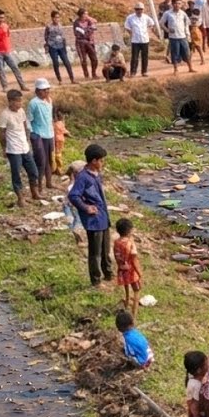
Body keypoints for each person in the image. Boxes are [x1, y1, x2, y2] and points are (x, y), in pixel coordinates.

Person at [68, 143, 113, 287]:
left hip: (103, 217)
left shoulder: (96, 174)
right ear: (94, 161)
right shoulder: (83, 177)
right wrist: (86, 208)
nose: (103, 163)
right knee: (95, 252)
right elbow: (73, 195)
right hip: (93, 221)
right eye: (101, 160)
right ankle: (96, 280)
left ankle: (109, 274)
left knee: (105, 249)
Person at [0, 89, 40, 206]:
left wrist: (27, 137)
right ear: (10, 101)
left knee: (33, 171)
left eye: (21, 101)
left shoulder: (21, 111)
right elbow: (1, 133)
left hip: (24, 147)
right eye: (17, 101)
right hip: (13, 149)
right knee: (16, 174)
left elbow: (24, 124)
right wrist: (4, 148)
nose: (20, 104)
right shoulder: (5, 115)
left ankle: (34, 193)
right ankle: (20, 198)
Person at [0, 9, 26, 92]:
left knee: (15, 68)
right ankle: (5, 87)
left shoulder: (6, 26)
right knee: (1, 70)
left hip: (7, 51)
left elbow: (8, 36)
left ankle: (22, 85)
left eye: (3, 17)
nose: (1, 19)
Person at [27, 78, 55, 192]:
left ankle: (49, 182)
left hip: (49, 133)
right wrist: (33, 132)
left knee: (49, 159)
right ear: (37, 91)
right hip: (39, 134)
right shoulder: (33, 103)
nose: (46, 92)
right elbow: (28, 119)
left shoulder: (49, 100)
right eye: (44, 90)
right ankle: (38, 185)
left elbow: (49, 117)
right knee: (41, 161)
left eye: (47, 89)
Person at [113, 217, 142, 316]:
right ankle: (134, 314)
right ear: (129, 230)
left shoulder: (116, 242)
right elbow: (134, 259)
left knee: (126, 287)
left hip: (122, 269)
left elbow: (116, 255)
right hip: (131, 271)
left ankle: (126, 304)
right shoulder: (130, 244)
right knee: (137, 291)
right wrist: (139, 272)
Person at [160, 0, 192, 75]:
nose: (177, 5)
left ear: (181, 5)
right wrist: (167, 30)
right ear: (172, 4)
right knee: (174, 54)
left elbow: (187, 24)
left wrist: (188, 35)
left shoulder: (183, 13)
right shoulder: (168, 13)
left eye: (179, 3)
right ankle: (176, 69)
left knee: (187, 53)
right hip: (173, 38)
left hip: (183, 37)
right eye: (175, 3)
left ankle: (190, 68)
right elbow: (161, 23)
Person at [124, 4, 158, 77]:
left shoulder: (146, 17)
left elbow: (152, 24)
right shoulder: (130, 17)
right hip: (135, 40)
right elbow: (126, 26)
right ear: (135, 9)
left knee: (145, 56)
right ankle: (133, 72)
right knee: (134, 57)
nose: (139, 11)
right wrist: (131, 33)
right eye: (137, 9)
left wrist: (149, 30)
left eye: (140, 9)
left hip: (145, 39)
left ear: (143, 10)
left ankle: (144, 71)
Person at [43, 11, 74, 83]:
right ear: (52, 18)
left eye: (58, 17)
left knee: (67, 62)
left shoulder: (60, 26)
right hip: (52, 46)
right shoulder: (49, 27)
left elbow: (63, 37)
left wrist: (65, 46)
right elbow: (46, 37)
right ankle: (59, 79)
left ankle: (72, 79)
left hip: (61, 46)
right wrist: (48, 45)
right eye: (56, 17)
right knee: (56, 63)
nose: (57, 19)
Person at [72, 8, 99, 80]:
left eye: (87, 14)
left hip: (90, 42)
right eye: (85, 14)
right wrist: (89, 29)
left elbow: (95, 25)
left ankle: (94, 73)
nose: (87, 15)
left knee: (94, 59)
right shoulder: (76, 23)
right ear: (81, 15)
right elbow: (80, 33)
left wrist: (88, 27)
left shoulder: (89, 21)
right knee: (83, 60)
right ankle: (86, 75)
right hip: (81, 43)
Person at [52, 107, 69, 177]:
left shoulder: (53, 124)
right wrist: (69, 134)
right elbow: (64, 131)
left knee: (54, 154)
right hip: (59, 140)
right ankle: (58, 170)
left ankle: (54, 168)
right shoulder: (59, 123)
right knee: (58, 155)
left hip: (55, 140)